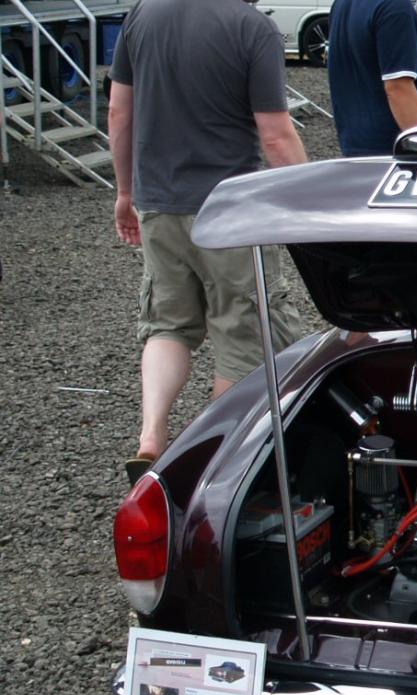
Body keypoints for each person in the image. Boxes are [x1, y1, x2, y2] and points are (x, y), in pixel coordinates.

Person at [108, 0, 307, 486]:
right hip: (231, 212)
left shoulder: (142, 15)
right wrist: (310, 205)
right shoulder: (252, 27)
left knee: (167, 325)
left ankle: (151, 435)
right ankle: (216, 461)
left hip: (159, 204)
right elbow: (276, 136)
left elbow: (118, 110)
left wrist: (125, 192)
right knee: (244, 336)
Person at [327, 0, 417, 156]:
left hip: (355, 143)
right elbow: (398, 88)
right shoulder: (395, 7)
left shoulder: (341, 4)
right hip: (395, 148)